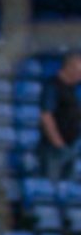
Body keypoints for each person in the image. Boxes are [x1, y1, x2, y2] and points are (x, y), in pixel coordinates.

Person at [39, 52, 81, 183]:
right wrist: (59, 144)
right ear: (70, 68)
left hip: (70, 146)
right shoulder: (53, 86)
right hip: (54, 149)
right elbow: (46, 117)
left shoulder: (72, 89)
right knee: (51, 184)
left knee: (68, 185)